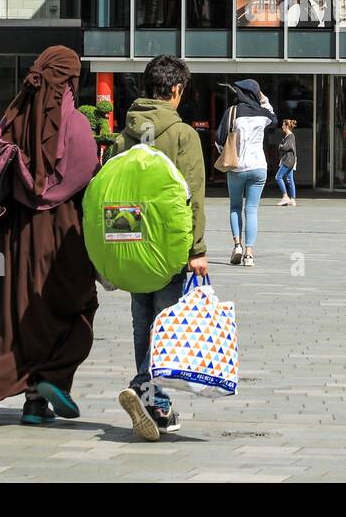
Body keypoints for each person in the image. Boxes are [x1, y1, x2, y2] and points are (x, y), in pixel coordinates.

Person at [0, 46, 101, 426]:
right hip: (63, 234)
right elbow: (87, 171)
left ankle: (33, 404)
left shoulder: (13, 117)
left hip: (14, 236)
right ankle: (51, 378)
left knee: (19, 310)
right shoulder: (75, 124)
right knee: (77, 307)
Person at [109, 54, 208, 441]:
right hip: (169, 244)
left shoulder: (125, 133)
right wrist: (197, 249)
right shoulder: (183, 134)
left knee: (143, 319)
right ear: (177, 90)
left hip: (130, 239)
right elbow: (193, 195)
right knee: (166, 322)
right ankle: (144, 386)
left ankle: (156, 406)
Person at [216, 79, 276, 267]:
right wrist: (264, 99)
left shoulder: (232, 112)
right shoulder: (263, 114)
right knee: (251, 210)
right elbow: (274, 118)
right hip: (259, 167)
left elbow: (219, 140)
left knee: (235, 206)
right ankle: (249, 254)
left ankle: (238, 246)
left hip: (237, 167)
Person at [275, 118, 298, 206]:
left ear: (287, 126)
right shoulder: (289, 136)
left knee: (278, 177)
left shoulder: (290, 136)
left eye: (283, 125)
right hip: (290, 160)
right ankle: (292, 199)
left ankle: (285, 196)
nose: (282, 127)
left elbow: (285, 147)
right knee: (290, 179)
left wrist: (280, 146)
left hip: (288, 160)